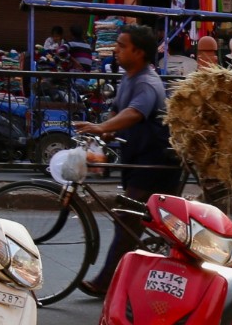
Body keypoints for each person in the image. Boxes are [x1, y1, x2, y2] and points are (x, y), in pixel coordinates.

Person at [76, 23, 178, 295]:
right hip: (140, 159)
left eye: (122, 46)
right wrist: (104, 132)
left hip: (155, 162)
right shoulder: (130, 77)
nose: (116, 50)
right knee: (149, 223)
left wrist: (101, 128)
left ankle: (107, 282)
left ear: (139, 52)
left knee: (126, 220)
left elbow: (134, 113)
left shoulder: (146, 81)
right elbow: (118, 111)